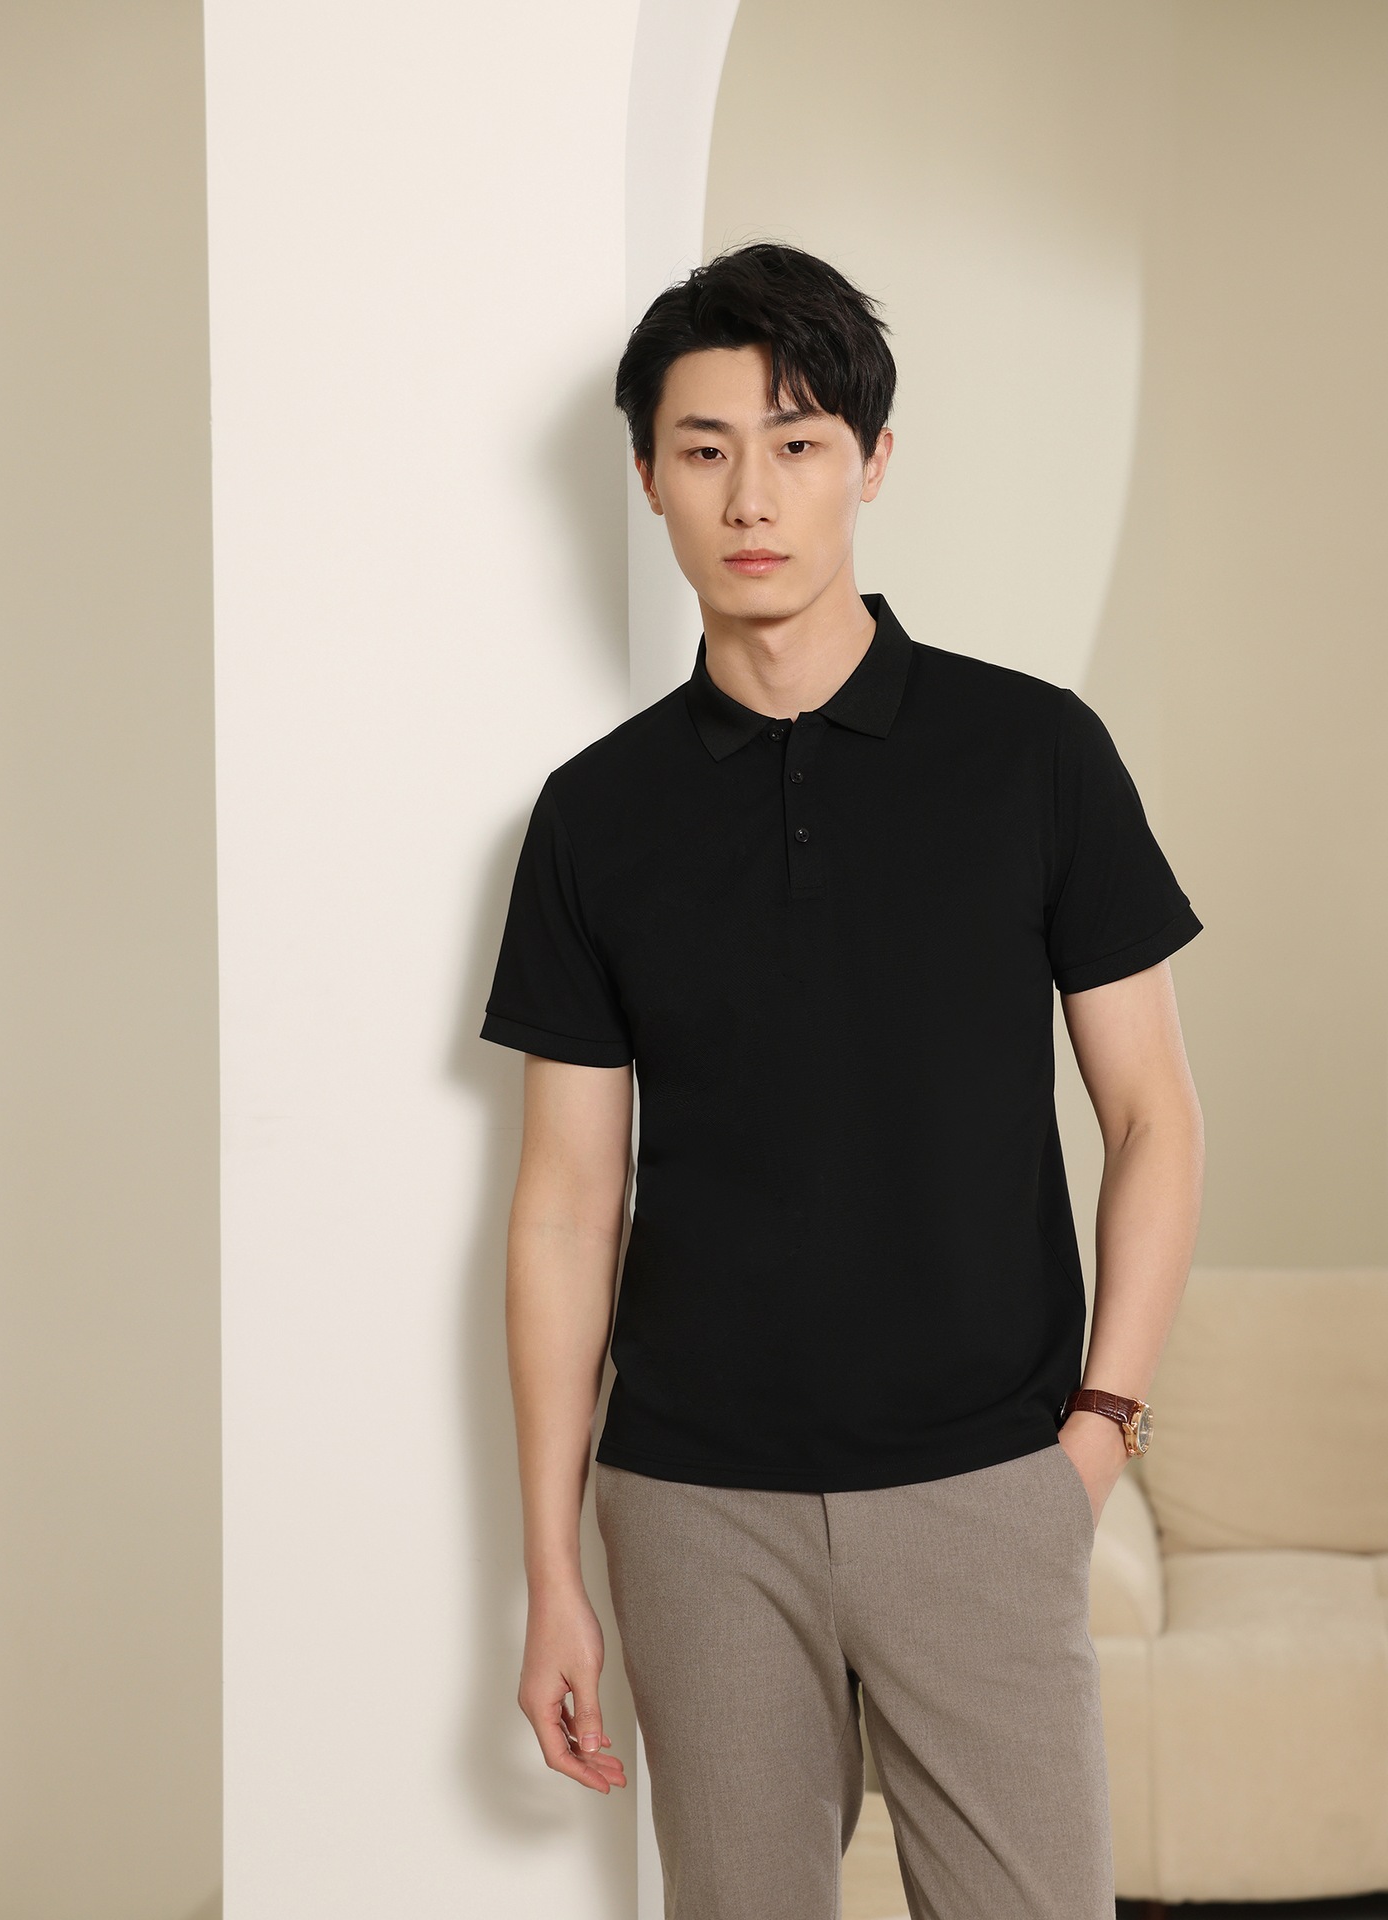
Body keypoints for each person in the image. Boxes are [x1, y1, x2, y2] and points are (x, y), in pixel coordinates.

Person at [478, 241, 1205, 1920]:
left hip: (986, 1488)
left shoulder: (1034, 755)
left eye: (798, 442)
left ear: (872, 463)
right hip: (693, 1511)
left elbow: (1154, 1117)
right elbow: (567, 1206)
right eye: (706, 447)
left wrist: (1095, 1439)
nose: (752, 495)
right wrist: (553, 1567)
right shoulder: (595, 817)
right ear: (648, 477)